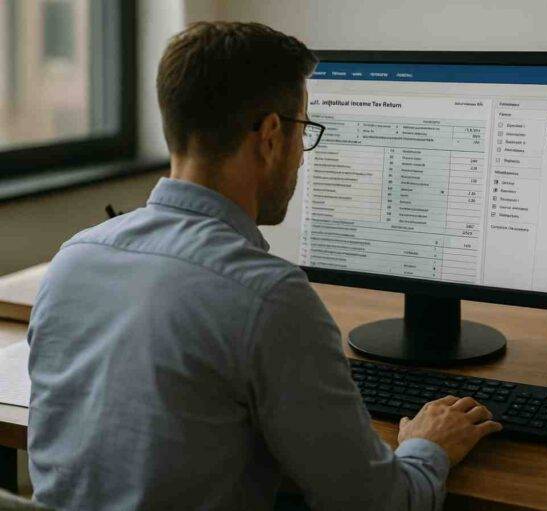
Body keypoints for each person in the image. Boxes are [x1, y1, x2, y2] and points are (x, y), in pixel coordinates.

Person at [27, 22, 501, 511]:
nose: (302, 157)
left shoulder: (73, 259)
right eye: (304, 131)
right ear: (271, 135)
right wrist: (428, 445)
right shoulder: (267, 297)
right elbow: (380, 504)